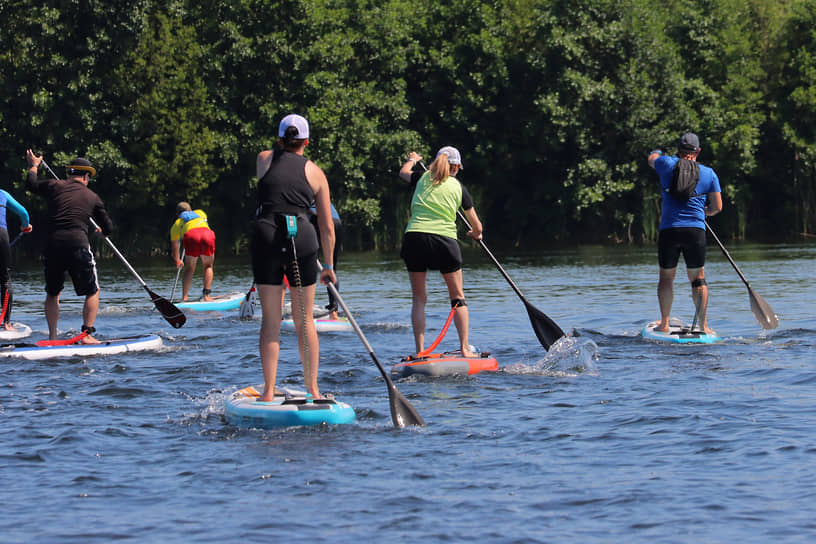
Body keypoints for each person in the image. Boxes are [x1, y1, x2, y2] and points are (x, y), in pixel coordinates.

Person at [252, 113, 336, 401]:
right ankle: (313, 389)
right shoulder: (316, 172)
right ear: (307, 141)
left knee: (271, 320)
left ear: (279, 139)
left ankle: (267, 391)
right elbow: (326, 226)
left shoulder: (264, 159)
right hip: (301, 235)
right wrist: (328, 266)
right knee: (304, 321)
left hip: (266, 235)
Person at [399, 146, 483, 357]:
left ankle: (420, 352)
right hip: (444, 242)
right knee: (457, 298)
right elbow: (477, 226)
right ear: (456, 167)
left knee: (419, 298)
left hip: (414, 238)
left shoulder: (421, 177)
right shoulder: (458, 187)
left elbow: (402, 173)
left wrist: (412, 159)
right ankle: (465, 349)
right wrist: (476, 234)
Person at [25, 151, 114, 344]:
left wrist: (34, 165)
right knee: (93, 291)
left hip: (53, 245)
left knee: (53, 292)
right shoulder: (92, 196)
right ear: (85, 176)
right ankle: (87, 335)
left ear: (69, 174)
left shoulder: (54, 185)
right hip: (77, 245)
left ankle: (53, 336)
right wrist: (102, 232)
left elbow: (31, 184)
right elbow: (108, 227)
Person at [648, 132, 722, 334]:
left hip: (670, 230)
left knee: (666, 278)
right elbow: (717, 207)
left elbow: (652, 159)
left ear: (678, 151)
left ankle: (664, 324)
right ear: (698, 151)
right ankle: (703, 326)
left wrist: (656, 151)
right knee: (698, 279)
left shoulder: (665, 164)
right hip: (695, 231)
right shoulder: (709, 173)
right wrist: (702, 212)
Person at [0, 188, 33, 331]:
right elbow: (23, 213)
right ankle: (6, 324)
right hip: (1, 234)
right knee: (4, 278)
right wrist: (25, 226)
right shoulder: (2, 193)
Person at [169, 202, 216, 301]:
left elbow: (175, 247)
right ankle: (207, 296)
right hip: (207, 234)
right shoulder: (201, 213)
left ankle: (184, 298)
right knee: (208, 266)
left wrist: (178, 260)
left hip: (191, 237)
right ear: (191, 210)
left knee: (190, 268)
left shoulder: (177, 224)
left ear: (178, 214)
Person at [307, 201, 342, 319]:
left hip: (320, 222)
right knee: (332, 267)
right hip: (336, 222)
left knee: (306, 265)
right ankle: (334, 311)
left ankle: (304, 310)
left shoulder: (297, 189)